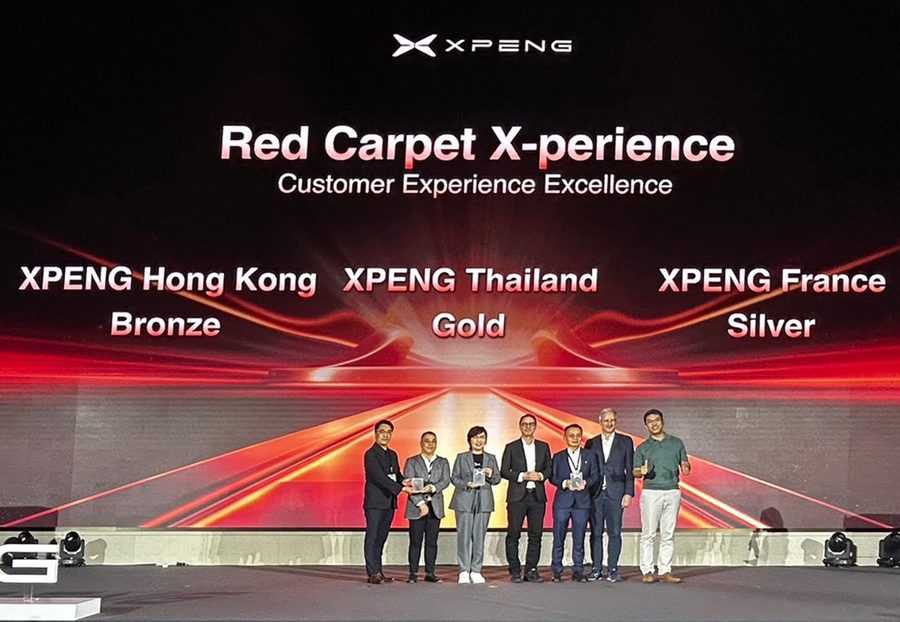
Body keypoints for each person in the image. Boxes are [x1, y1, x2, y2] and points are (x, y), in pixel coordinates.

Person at [633, 408, 691, 584]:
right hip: (651, 493)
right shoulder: (642, 447)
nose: (654, 424)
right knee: (649, 534)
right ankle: (648, 570)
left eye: (656, 420)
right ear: (646, 426)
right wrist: (641, 472)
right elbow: (635, 471)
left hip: (672, 491)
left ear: (663, 421)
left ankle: (665, 570)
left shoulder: (676, 443)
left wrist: (686, 466)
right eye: (650, 421)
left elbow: (685, 465)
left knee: (668, 533)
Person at [500, 413, 552, 583]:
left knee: (536, 535)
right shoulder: (511, 447)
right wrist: (522, 476)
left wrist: (540, 476)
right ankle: (515, 570)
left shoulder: (543, 446)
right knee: (513, 533)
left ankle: (531, 570)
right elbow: (504, 471)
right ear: (520, 426)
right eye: (524, 424)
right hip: (517, 497)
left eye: (531, 424)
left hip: (537, 497)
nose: (528, 427)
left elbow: (549, 469)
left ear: (535, 427)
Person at [584, 407, 634, 582]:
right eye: (606, 420)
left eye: (612, 420)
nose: (609, 423)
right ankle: (596, 569)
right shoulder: (591, 442)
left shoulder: (625, 441)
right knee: (596, 532)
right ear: (600, 422)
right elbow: (587, 468)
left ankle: (613, 569)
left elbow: (630, 468)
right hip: (595, 494)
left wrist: (628, 493)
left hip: (616, 493)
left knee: (614, 532)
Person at [363, 419, 415, 584]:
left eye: (388, 432)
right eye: (382, 431)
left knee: (381, 537)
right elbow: (379, 477)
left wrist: (405, 481)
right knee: (372, 536)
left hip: (389, 502)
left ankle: (379, 571)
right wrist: (401, 489)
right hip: (375, 502)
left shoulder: (392, 454)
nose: (385, 435)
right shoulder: (370, 454)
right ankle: (372, 572)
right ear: (375, 433)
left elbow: (396, 474)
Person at [449, 426, 501, 584]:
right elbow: (454, 478)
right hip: (464, 500)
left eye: (482, 437)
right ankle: (464, 570)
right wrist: (467, 484)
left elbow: (497, 480)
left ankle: (476, 570)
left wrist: (491, 474)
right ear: (469, 440)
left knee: (479, 537)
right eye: (475, 437)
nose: (479, 440)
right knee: (464, 536)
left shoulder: (491, 458)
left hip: (484, 500)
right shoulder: (462, 457)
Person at [549, 423, 600, 582]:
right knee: (559, 537)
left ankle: (578, 570)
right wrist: (565, 483)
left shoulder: (590, 455)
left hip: (582, 502)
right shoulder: (558, 456)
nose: (575, 438)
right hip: (563, 501)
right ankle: (556, 570)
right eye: (571, 435)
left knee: (579, 538)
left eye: (578, 435)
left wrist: (586, 483)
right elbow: (553, 477)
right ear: (564, 437)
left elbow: (595, 475)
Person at [403, 431, 451, 583]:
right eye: (426, 441)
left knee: (432, 542)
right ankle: (413, 573)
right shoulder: (412, 461)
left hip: (435, 507)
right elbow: (408, 483)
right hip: (417, 507)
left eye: (433, 441)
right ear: (421, 443)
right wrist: (421, 503)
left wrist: (433, 487)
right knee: (415, 541)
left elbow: (445, 481)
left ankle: (430, 572)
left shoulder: (443, 462)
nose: (430, 444)